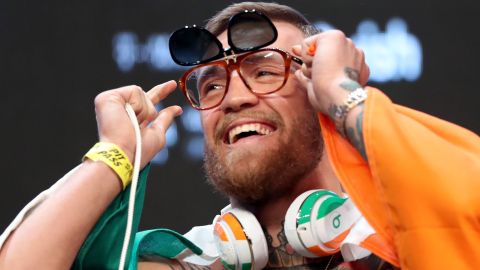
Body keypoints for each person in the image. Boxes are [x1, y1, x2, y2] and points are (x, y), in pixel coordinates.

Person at [1, 2, 479, 269]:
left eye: (265, 70)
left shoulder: (401, 238)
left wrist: (343, 94)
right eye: (211, 83)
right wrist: (115, 155)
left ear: (318, 86)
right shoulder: (190, 262)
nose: (233, 98)